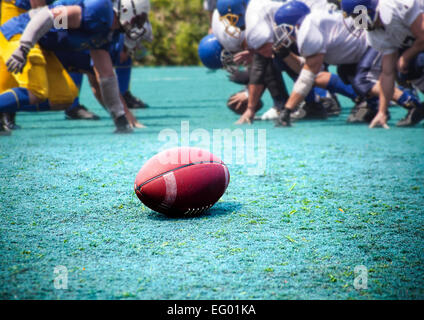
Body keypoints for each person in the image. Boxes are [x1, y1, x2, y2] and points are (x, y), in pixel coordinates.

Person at [0, 0, 150, 135]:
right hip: (23, 32)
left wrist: (119, 117)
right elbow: (47, 17)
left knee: (65, 97)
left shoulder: (108, 31)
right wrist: (24, 47)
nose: (139, 24)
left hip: (43, 44)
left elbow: (106, 76)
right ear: (125, 9)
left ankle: (5, 109)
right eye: (140, 18)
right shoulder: (98, 11)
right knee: (37, 90)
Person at [273, 1, 420, 127]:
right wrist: (286, 54)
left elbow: (308, 73)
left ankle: (411, 103)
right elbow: (310, 71)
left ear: (292, 23)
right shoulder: (312, 24)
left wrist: (287, 109)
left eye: (282, 28)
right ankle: (373, 106)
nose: (281, 33)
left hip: (370, 45)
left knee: (363, 80)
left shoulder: (307, 29)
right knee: (345, 74)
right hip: (357, 52)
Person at [341, 0, 424, 128]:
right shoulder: (375, 34)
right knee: (406, 69)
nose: (356, 21)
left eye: (356, 15)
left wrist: (406, 57)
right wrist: (382, 111)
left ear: (367, 10)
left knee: (418, 61)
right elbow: (387, 73)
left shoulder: (396, 6)